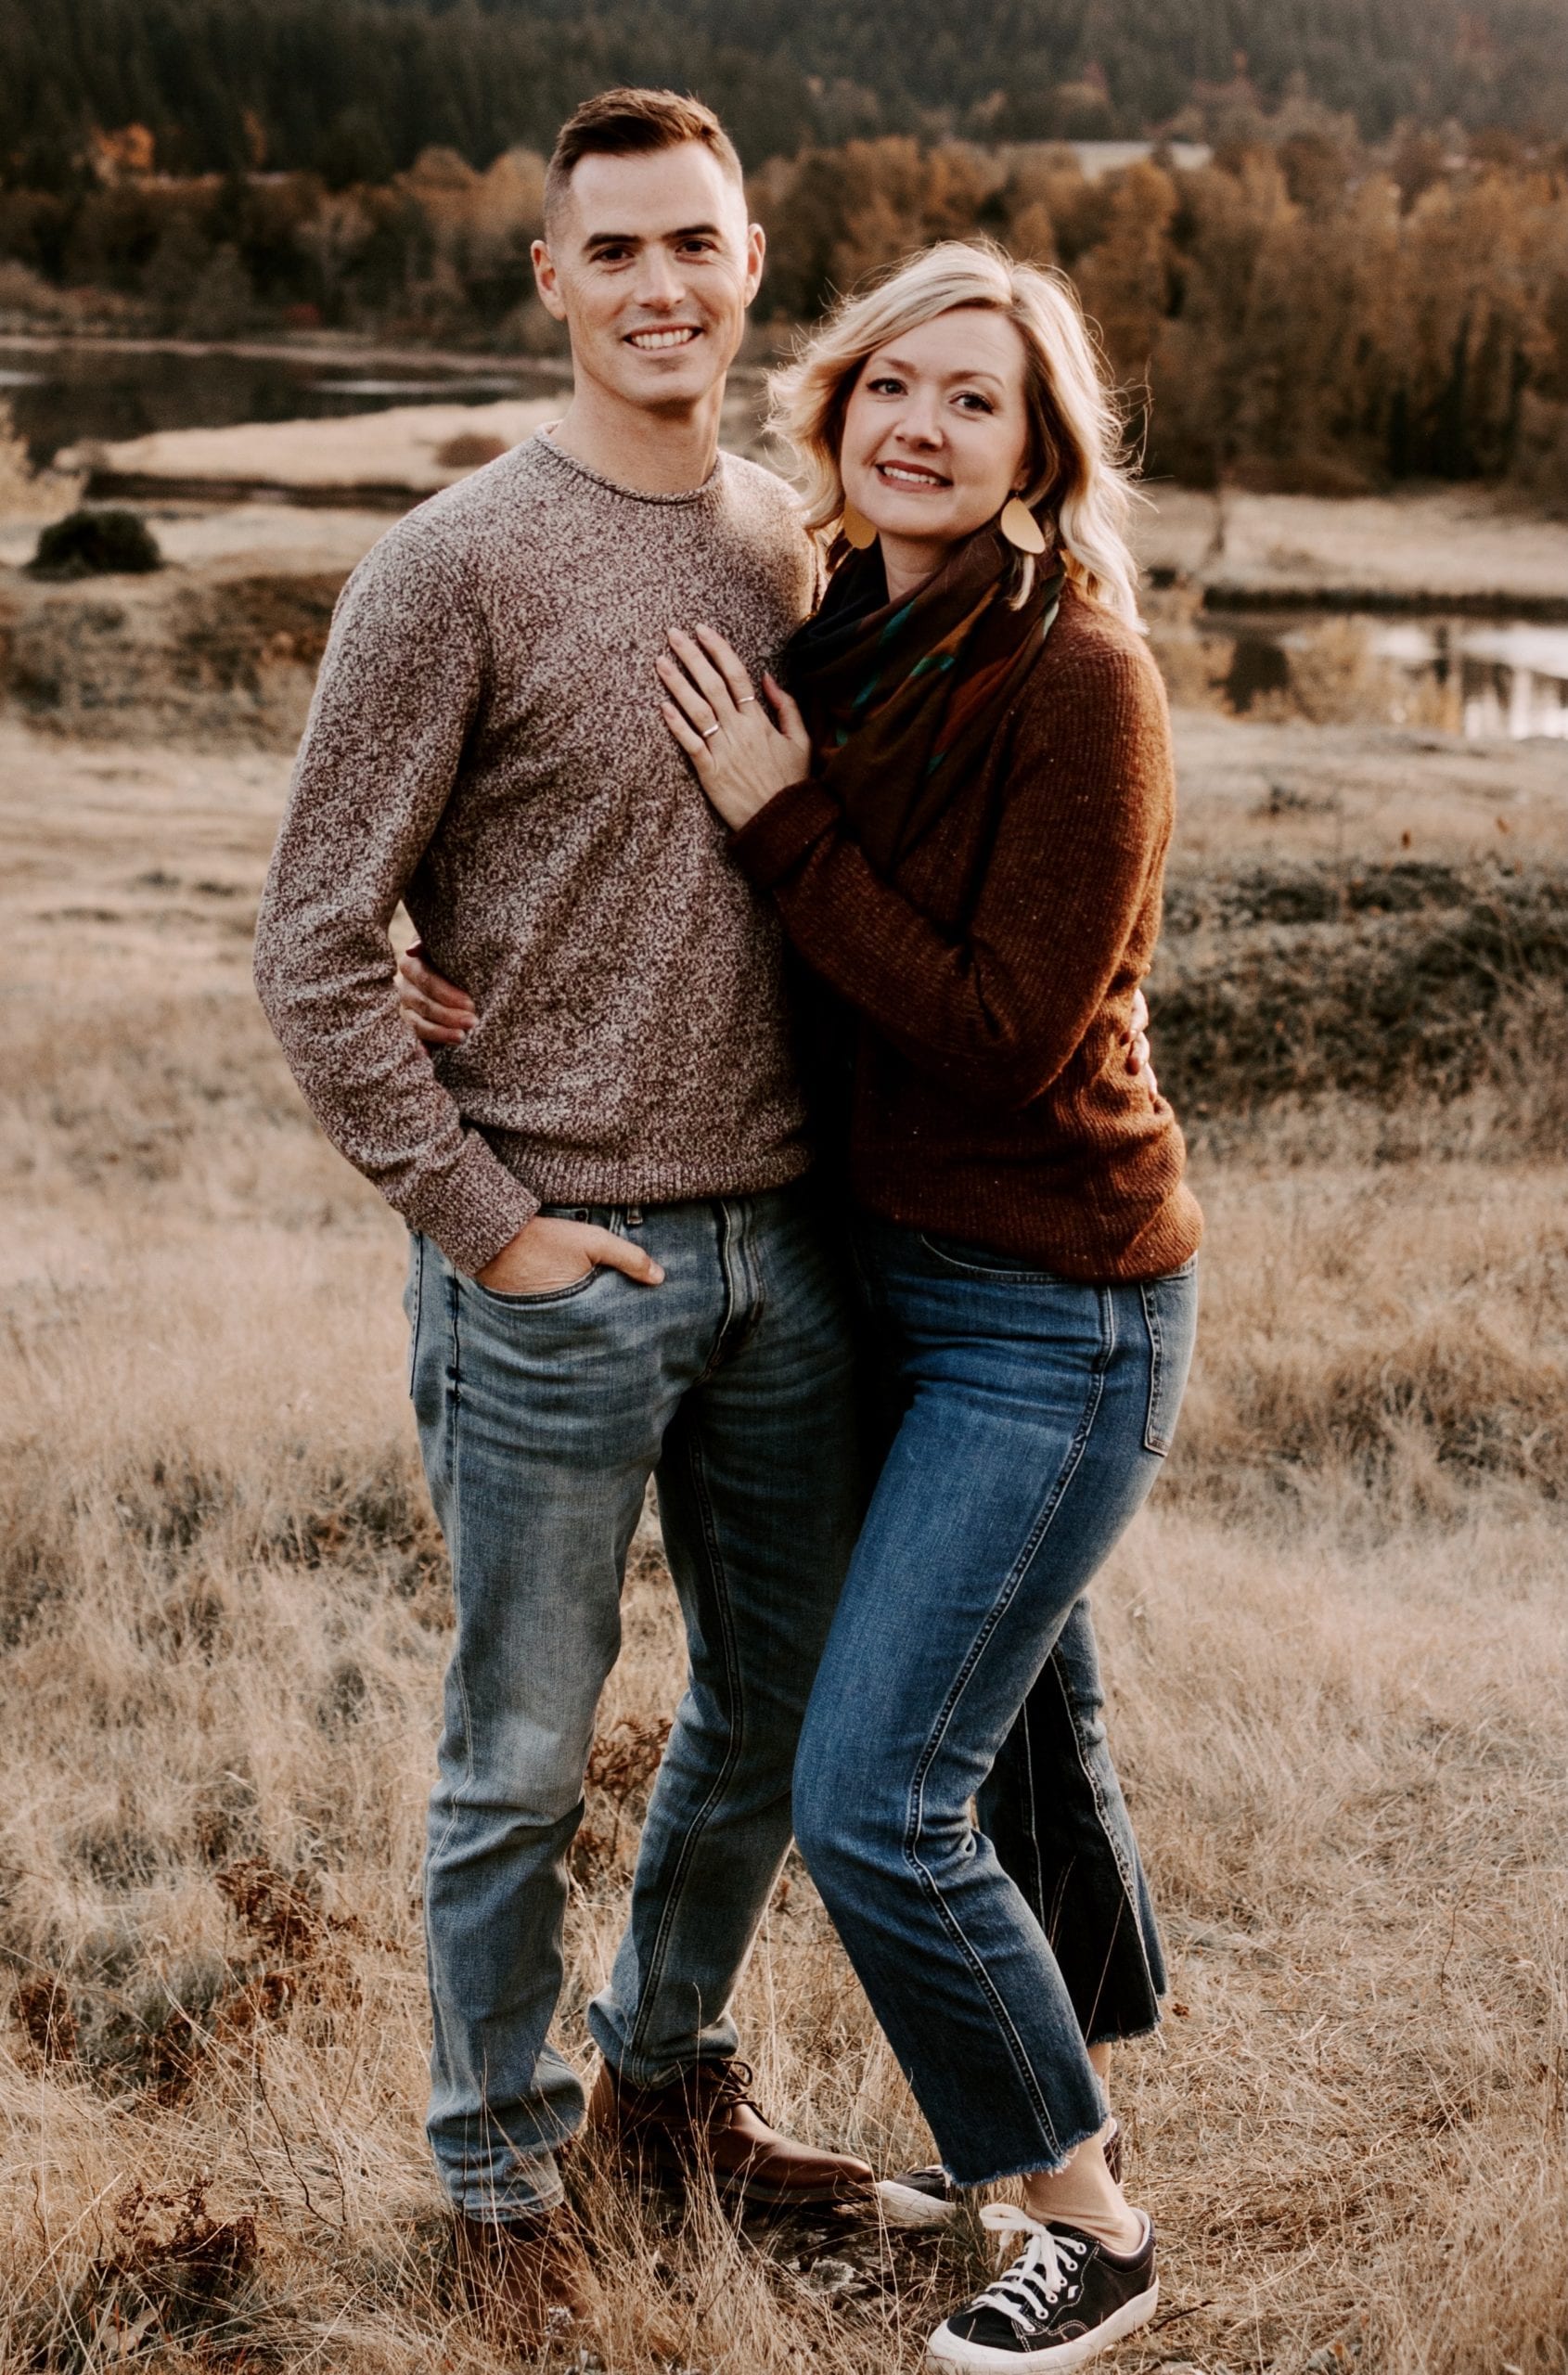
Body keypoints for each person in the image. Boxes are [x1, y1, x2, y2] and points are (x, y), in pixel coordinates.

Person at [253, 87, 881, 2347]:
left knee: (780, 1714)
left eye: (695, 246)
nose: (660, 288)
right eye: (611, 250)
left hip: (785, 1251)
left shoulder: (789, 548)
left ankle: (669, 2083)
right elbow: (318, 935)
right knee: (520, 1751)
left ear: (747, 258)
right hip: (557, 1268)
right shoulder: (451, 564)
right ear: (551, 280)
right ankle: (494, 2177)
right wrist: (484, 1220)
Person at [651, 241, 1202, 2369]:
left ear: (1036, 448)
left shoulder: (1077, 676)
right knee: (1010, 1735)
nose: (922, 425)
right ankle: (1055, 2080)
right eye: (897, 382)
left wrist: (783, 828)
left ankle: (1083, 2221)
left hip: (1050, 1310)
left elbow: (995, 1026)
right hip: (882, 1283)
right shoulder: (848, 625)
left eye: (977, 399)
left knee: (872, 1785)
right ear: (839, 404)